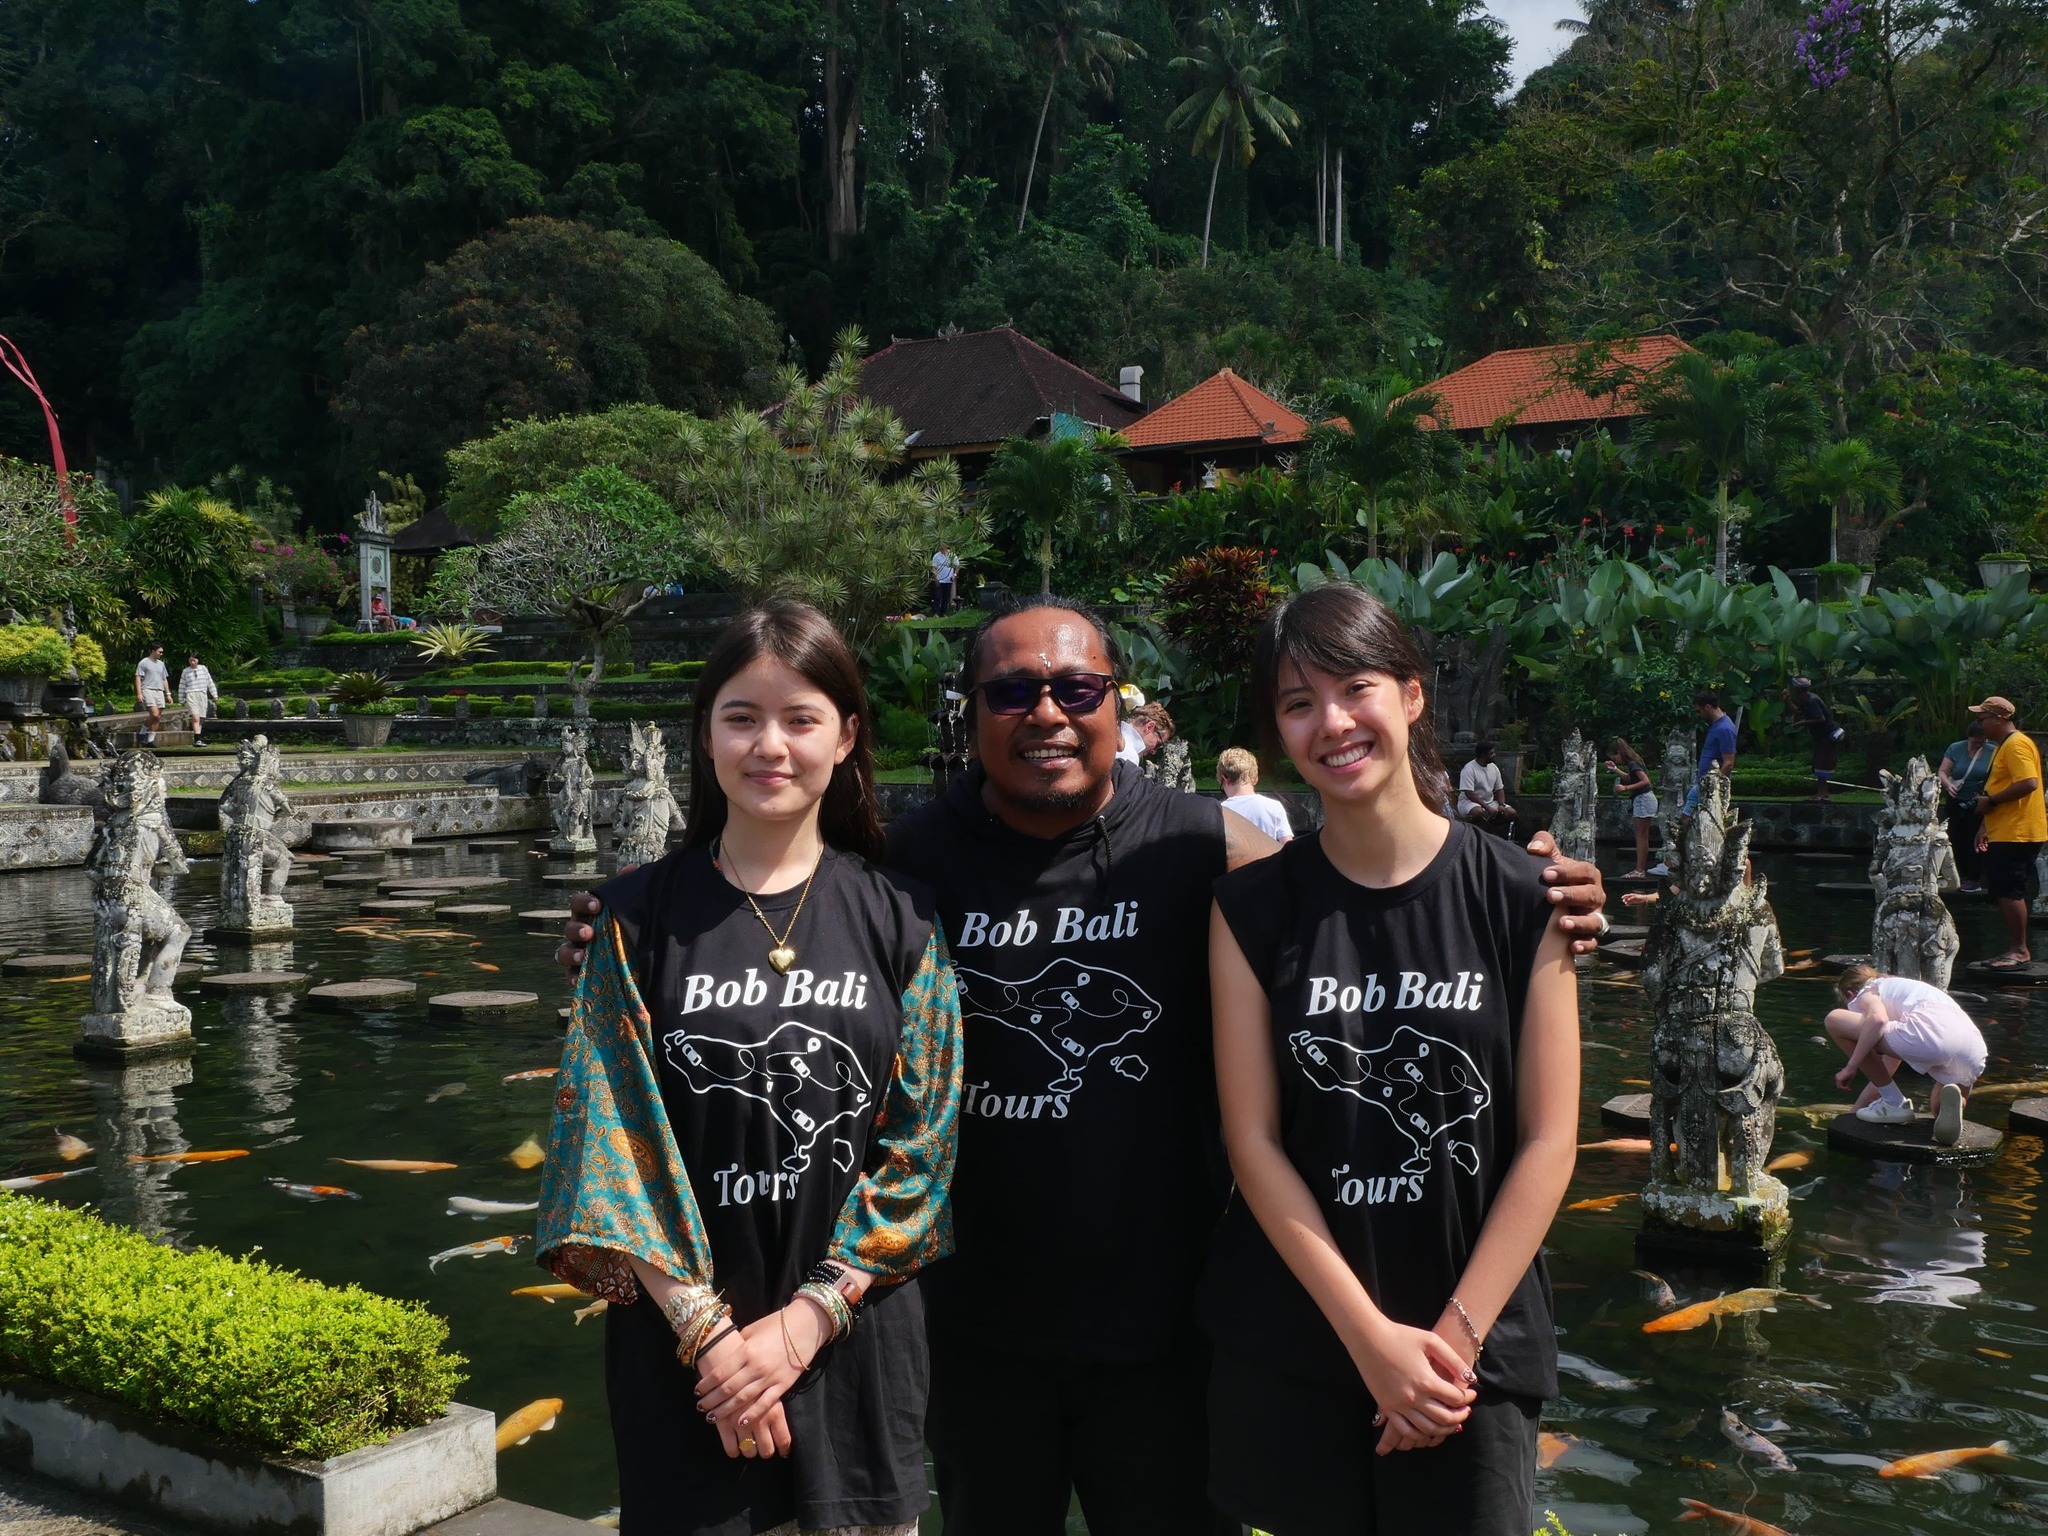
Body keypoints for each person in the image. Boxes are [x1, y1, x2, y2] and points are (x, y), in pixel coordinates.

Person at [556, 593, 1610, 1536]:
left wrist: (1534, 891)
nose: (1045, 712)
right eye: (1011, 692)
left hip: (1166, 1332)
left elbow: (1349, 886)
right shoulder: (906, 864)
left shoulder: (1205, 847)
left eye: (1075, 687)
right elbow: (777, 893)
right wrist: (628, 925)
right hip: (972, 1332)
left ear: (1119, 705)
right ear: (970, 713)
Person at [534, 601, 963, 1536]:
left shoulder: (904, 921)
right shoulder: (631, 922)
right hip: (687, 1369)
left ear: (846, 737)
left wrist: (806, 1320)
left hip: (858, 1351)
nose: (771, 745)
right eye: (742, 717)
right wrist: (713, 1338)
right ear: (705, 734)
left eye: (801, 719)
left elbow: (922, 1152)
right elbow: (608, 1151)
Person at [1203, 581, 1578, 1535]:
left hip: (1473, 1360)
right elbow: (1253, 1146)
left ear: (1411, 695)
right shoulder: (1251, 909)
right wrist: (1372, 1343)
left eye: (1355, 687)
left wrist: (1447, 1346)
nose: (1332, 722)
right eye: (1297, 703)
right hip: (1299, 1343)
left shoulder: (1523, 896)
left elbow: (1550, 1140)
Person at [1827, 964, 1987, 1146]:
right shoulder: (1907, 991)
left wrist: (1850, 1067)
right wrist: (1855, 1110)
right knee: (1939, 1109)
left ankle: (1894, 1103)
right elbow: (1886, 1067)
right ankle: (1957, 1106)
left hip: (1931, 1035)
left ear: (1850, 994)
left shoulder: (1869, 991)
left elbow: (1877, 1020)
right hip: (1972, 1047)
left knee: (1834, 1020)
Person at [1970, 695, 2046, 970]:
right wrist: (1985, 824)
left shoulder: (2016, 745)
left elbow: (2029, 783)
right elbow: (1998, 786)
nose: (1980, 724)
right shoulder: (2005, 746)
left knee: (2010, 890)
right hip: (2005, 828)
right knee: (2003, 889)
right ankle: (2015, 948)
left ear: (1999, 718)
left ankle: (2020, 951)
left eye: (1983, 719)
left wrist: (1991, 802)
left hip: (2018, 831)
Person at [1939, 720, 1993, 892]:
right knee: (1953, 836)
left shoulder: (1992, 751)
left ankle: (1973, 877)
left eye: (1982, 741)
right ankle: (1956, 874)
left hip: (1978, 800)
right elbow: (1942, 771)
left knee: (1974, 837)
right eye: (1975, 741)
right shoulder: (1956, 748)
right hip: (1956, 799)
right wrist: (1948, 785)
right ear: (1968, 738)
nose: (1978, 745)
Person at [1785, 677, 1844, 803]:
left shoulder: (1812, 700)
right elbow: (1798, 711)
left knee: (1822, 763)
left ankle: (1823, 793)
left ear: (1797, 689)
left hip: (1826, 736)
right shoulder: (1806, 698)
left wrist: (1803, 723)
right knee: (1819, 763)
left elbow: (1821, 718)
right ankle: (1822, 793)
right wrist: (1788, 700)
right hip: (1821, 737)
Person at [1216, 746, 1292, 843]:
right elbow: (1287, 845)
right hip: (1269, 858)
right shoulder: (1274, 807)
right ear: (1255, 778)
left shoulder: (1219, 811)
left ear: (1225, 779)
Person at [1605, 738, 1655, 876]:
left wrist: (1625, 788)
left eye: (1614, 757)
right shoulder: (1634, 761)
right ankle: (1640, 870)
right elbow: (1630, 778)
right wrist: (1615, 770)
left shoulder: (1633, 763)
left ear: (1620, 752)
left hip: (1643, 799)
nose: (1615, 760)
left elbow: (1645, 781)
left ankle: (1639, 870)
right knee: (1642, 836)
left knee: (1641, 836)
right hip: (1645, 799)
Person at [1685, 689, 1737, 815]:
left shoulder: (1724, 728)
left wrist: (1712, 784)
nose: (1699, 714)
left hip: (1708, 786)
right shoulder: (1716, 725)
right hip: (1703, 784)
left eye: (1699, 710)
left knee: (1686, 820)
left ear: (1707, 707)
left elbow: (1729, 763)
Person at [1455, 741, 1515, 835]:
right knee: (1478, 812)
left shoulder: (1494, 768)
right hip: (1469, 803)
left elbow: (1499, 789)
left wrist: (1501, 805)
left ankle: (1489, 829)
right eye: (1491, 753)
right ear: (1483, 755)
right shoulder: (1469, 769)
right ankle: (1469, 831)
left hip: (1490, 803)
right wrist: (1487, 808)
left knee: (1511, 813)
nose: (1494, 755)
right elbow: (1469, 793)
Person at [1117, 699, 1175, 766]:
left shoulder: (1111, 730)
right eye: (1158, 744)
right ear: (1149, 727)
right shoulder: (1129, 756)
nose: (1153, 752)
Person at [177, 653, 217, 743]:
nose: (192, 662)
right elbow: (182, 685)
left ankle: (198, 736)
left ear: (198, 660)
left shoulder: (203, 669)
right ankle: (197, 739)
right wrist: (181, 699)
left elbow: (209, 682)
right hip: (191, 694)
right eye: (190, 660)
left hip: (202, 694)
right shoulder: (185, 671)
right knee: (195, 717)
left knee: (201, 718)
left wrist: (214, 694)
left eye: (194, 660)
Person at [134, 645, 169, 742]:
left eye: (162, 652)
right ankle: (142, 732)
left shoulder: (161, 664)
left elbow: (164, 679)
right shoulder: (144, 662)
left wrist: (168, 693)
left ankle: (150, 739)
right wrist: (139, 693)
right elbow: (138, 678)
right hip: (148, 689)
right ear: (153, 651)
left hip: (159, 690)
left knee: (158, 716)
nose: (161, 654)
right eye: (159, 652)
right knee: (154, 714)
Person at [932, 546, 959, 616]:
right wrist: (936, 578)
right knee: (937, 596)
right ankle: (936, 612)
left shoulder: (952, 555)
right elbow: (933, 567)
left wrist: (955, 575)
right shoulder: (936, 556)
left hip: (948, 580)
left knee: (946, 597)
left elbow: (957, 566)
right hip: (940, 580)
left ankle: (943, 612)